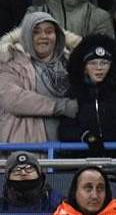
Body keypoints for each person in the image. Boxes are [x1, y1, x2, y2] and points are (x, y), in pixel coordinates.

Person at [0, 12, 77, 143]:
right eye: (36, 32)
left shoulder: (71, 62)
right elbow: (12, 99)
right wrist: (60, 106)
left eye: (49, 31)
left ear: (57, 35)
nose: (43, 36)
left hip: (69, 146)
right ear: (26, 35)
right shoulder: (9, 60)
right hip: (27, 146)